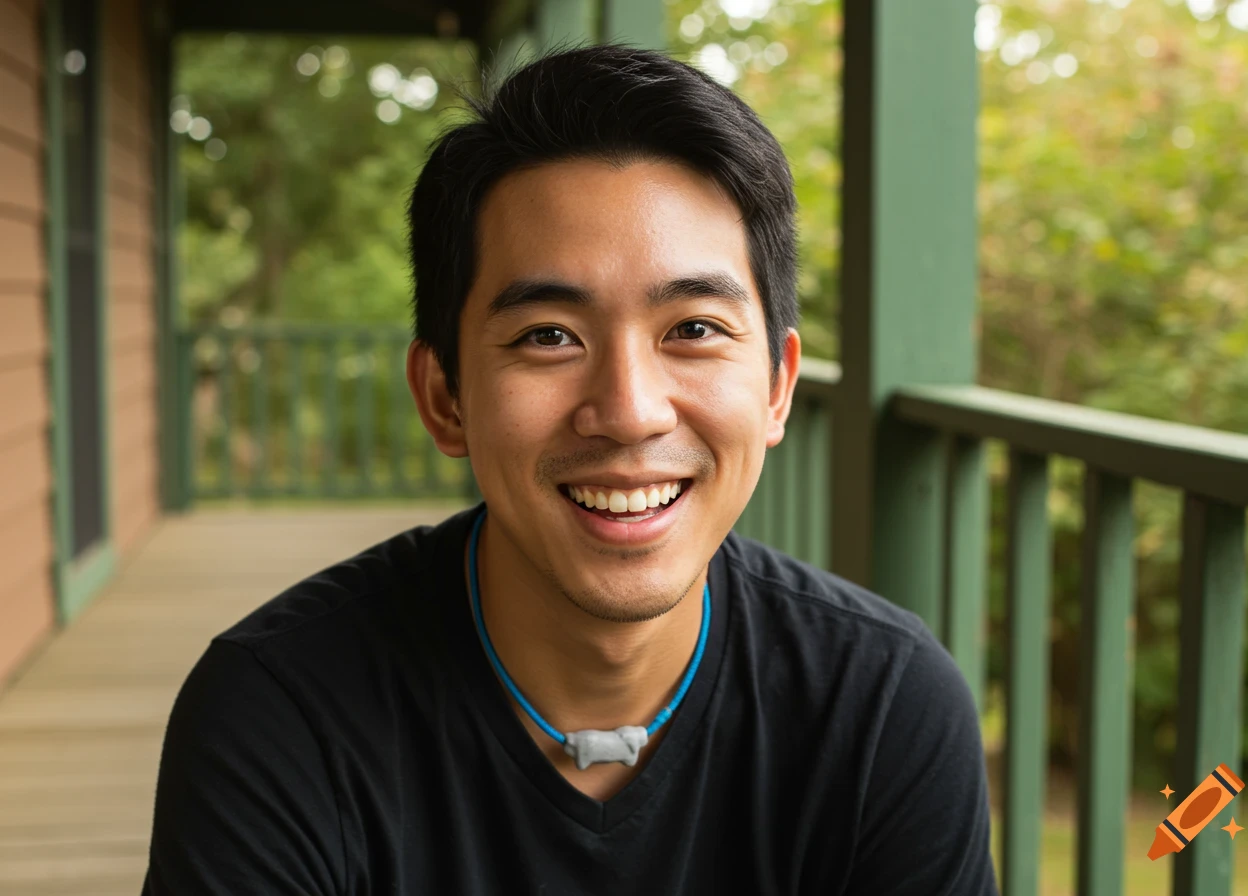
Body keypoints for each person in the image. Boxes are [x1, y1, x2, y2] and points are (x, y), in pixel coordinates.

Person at [142, 42, 998, 895]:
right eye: (548, 335)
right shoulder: (279, 713)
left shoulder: (882, 705)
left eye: (694, 329)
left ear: (777, 386)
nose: (629, 410)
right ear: (444, 397)